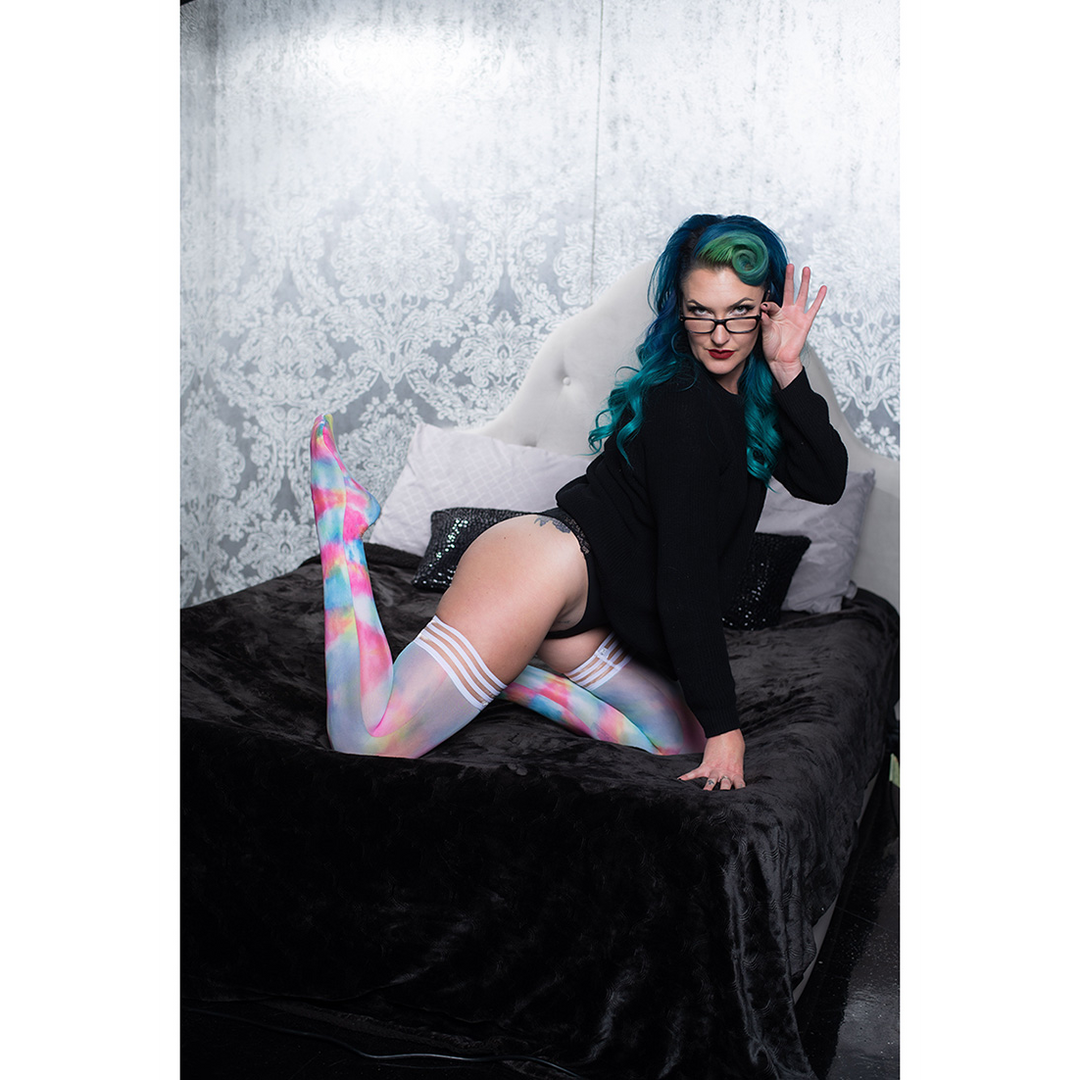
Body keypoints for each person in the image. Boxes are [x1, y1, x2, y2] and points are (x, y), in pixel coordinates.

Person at [309, 213, 847, 790]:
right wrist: (727, 728)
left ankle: (515, 675)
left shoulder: (751, 402)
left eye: (739, 311)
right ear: (681, 311)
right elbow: (685, 578)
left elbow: (825, 482)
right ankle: (342, 527)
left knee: (681, 745)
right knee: (369, 739)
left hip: (588, 614)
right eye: (701, 312)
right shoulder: (683, 405)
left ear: (766, 309)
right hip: (540, 568)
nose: (719, 335)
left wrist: (787, 368)